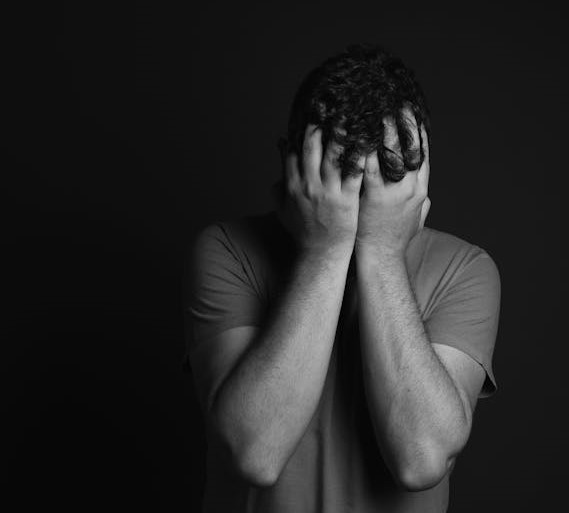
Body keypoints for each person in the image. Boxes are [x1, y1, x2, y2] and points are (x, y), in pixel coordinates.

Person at [182, 43, 502, 513]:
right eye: (343, 172)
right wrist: (325, 250)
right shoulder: (227, 250)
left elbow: (421, 459)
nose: (359, 197)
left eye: (384, 175)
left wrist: (381, 252)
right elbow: (254, 453)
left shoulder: (466, 269)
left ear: (420, 174)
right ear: (292, 165)